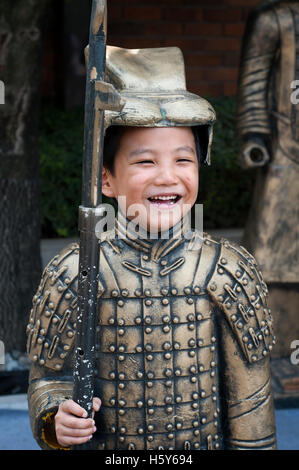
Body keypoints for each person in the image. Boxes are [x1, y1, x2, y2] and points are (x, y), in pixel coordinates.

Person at [27, 45, 277, 450]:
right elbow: (47, 378)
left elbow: (251, 407)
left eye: (184, 160)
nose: (167, 176)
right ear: (106, 179)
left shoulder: (228, 268)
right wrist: (56, 416)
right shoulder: (75, 271)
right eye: (145, 162)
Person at [237, 0, 299, 358]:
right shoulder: (274, 20)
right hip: (284, 154)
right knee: (271, 253)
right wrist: (254, 137)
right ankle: (272, 347)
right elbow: (254, 79)